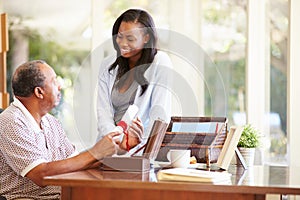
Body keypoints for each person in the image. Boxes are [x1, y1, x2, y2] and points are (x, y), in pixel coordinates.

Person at [0, 60, 120, 200]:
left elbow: (77, 163)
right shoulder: (11, 122)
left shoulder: (51, 122)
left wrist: (117, 145)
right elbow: (41, 174)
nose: (60, 85)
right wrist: (95, 152)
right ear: (39, 92)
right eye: (54, 81)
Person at [97, 9, 173, 153]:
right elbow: (103, 112)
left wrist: (137, 148)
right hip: (109, 147)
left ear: (146, 38)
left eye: (130, 39)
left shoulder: (160, 62)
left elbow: (159, 116)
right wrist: (117, 143)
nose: (123, 43)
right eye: (120, 37)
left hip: (140, 150)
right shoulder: (107, 64)